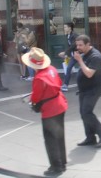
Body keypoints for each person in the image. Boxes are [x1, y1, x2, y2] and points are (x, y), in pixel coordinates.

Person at [23, 48, 68, 177]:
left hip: (50, 110)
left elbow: (36, 97)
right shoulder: (52, 70)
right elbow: (58, 83)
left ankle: (56, 166)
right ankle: (62, 162)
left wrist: (33, 104)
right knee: (59, 136)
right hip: (60, 104)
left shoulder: (39, 78)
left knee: (50, 139)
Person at [73, 34, 101, 148]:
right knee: (83, 113)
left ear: (88, 44)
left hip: (93, 89)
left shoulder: (95, 56)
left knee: (87, 113)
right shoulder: (85, 54)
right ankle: (90, 138)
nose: (78, 47)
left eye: (80, 45)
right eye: (77, 45)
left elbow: (89, 73)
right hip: (84, 89)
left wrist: (79, 61)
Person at [58, 23, 78, 92]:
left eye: (65, 27)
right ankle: (65, 85)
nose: (64, 28)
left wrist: (65, 53)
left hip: (80, 54)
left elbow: (73, 45)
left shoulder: (74, 35)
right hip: (74, 55)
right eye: (64, 27)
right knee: (69, 68)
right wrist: (67, 54)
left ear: (70, 28)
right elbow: (70, 47)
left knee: (85, 69)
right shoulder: (68, 35)